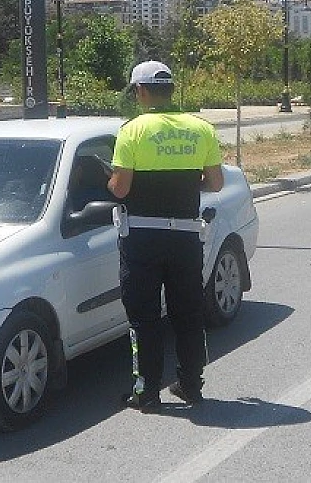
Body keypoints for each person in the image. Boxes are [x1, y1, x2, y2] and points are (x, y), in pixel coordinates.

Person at [107, 60, 224, 412]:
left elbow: (121, 189)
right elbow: (216, 183)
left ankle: (147, 392)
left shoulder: (132, 131)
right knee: (188, 313)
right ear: (171, 90)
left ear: (141, 92)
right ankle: (191, 385)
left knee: (144, 317)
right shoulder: (201, 128)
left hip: (142, 238)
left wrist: (108, 181)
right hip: (186, 236)